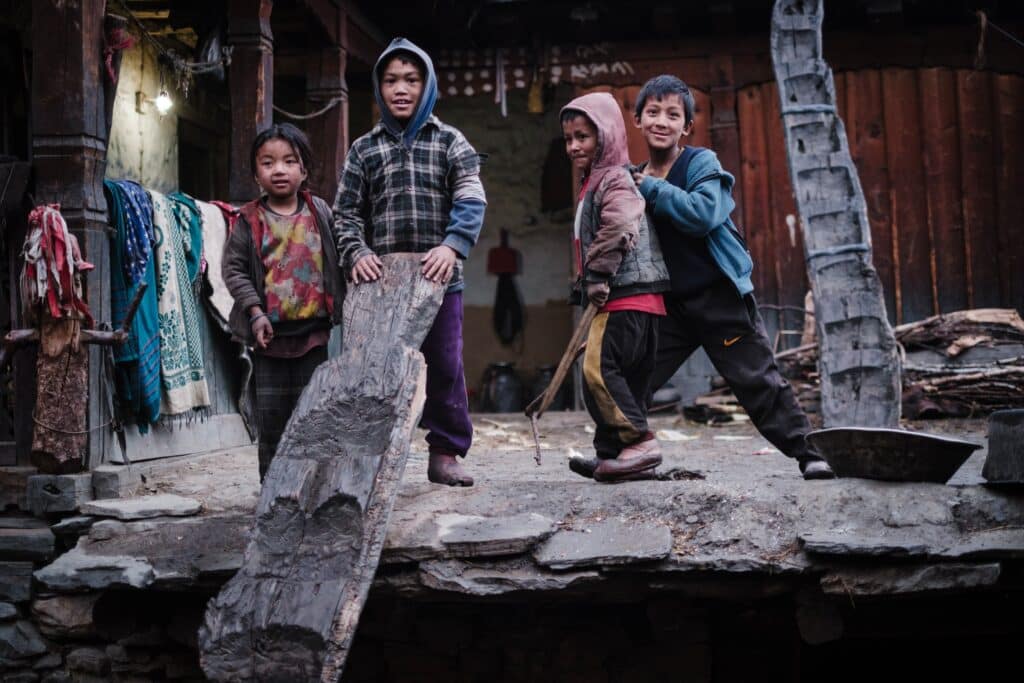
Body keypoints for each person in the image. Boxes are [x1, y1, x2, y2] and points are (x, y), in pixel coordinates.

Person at [631, 74, 833, 480]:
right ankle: (620, 453)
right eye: (652, 112)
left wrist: (651, 188)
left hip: (718, 296)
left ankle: (809, 452)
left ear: (686, 126)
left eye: (673, 115)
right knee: (632, 373)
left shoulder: (699, 164)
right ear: (637, 119)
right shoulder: (633, 179)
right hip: (669, 303)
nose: (661, 121)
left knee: (757, 379)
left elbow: (702, 215)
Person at [333, 38, 486, 487]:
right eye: (391, 80)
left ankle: (444, 451)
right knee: (378, 367)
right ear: (379, 89)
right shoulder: (364, 149)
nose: (401, 88)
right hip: (380, 285)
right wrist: (357, 252)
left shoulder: (450, 141)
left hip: (439, 279)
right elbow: (345, 213)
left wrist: (452, 245)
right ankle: (372, 457)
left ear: (428, 86)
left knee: (444, 363)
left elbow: (471, 197)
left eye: (412, 80)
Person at [222, 123, 344, 481]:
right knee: (273, 420)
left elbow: (342, 254)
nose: (278, 169)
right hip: (269, 338)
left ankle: (312, 488)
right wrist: (255, 313)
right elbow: (235, 271)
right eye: (268, 162)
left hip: (316, 336)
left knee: (314, 415)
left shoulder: (319, 211)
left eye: (289, 161)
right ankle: (273, 494)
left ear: (304, 169)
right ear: (256, 172)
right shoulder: (247, 219)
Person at [560, 92, 671, 482]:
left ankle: (639, 441)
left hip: (624, 294)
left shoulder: (612, 179)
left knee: (598, 374)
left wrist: (598, 274)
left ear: (605, 136)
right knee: (629, 378)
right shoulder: (601, 179)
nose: (574, 146)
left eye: (583, 137)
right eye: (569, 138)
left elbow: (621, 224)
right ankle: (616, 454)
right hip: (643, 297)